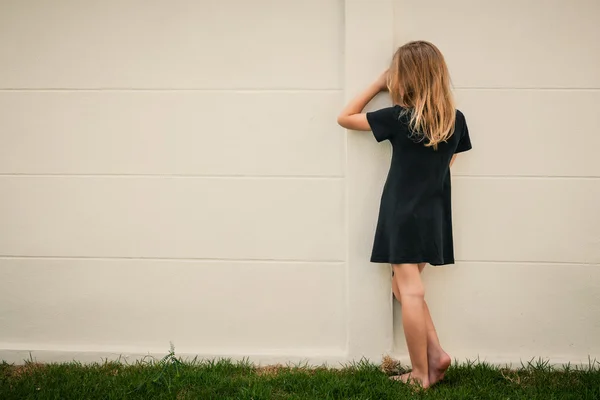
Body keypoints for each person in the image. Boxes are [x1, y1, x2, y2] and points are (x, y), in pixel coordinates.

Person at [337, 40, 472, 389]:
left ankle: (421, 374)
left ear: (404, 79)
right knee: (402, 286)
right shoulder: (455, 121)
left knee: (409, 291)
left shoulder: (400, 118)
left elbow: (344, 117)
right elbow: (448, 164)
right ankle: (437, 355)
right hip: (433, 215)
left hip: (401, 213)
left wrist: (378, 85)